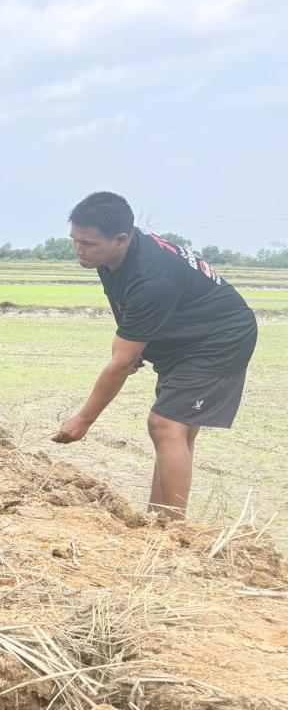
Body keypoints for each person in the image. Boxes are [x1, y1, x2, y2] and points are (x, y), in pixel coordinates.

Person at [52, 192, 257, 520]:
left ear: (120, 239)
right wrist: (136, 345)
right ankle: (157, 518)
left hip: (219, 339)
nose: (79, 250)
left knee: (166, 424)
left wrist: (84, 419)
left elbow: (119, 362)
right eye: (74, 240)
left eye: (87, 243)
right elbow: (122, 301)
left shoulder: (153, 277)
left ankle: (171, 530)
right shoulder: (110, 257)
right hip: (186, 336)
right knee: (176, 429)